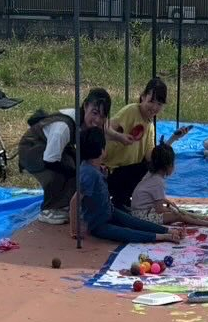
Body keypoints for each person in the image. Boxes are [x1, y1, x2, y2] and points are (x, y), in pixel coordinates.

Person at [17, 86, 110, 225]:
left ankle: (66, 203)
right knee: (70, 170)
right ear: (85, 106)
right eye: (94, 113)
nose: (97, 120)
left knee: (79, 166)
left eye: (102, 116)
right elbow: (50, 161)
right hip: (32, 151)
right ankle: (49, 209)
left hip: (53, 149)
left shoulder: (86, 124)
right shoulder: (63, 128)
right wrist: (75, 171)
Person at [76, 124, 177, 245]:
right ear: (102, 151)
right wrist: (75, 229)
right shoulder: (89, 173)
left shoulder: (93, 167)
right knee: (126, 233)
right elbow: (74, 201)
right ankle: (162, 236)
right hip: (98, 224)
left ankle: (167, 230)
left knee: (133, 221)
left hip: (109, 211)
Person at [103, 75, 173, 209]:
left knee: (153, 166)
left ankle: (127, 200)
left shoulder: (150, 126)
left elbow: (150, 157)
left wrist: (172, 140)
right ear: (142, 97)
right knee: (146, 168)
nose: (154, 107)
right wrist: (119, 137)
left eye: (159, 104)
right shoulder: (131, 111)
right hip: (110, 171)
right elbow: (104, 128)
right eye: (151, 101)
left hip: (126, 172)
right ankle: (120, 201)